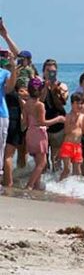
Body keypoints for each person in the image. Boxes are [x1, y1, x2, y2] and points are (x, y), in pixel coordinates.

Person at [22, 78, 64, 190]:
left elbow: (25, 122)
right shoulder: (40, 105)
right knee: (42, 163)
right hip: (39, 133)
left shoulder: (26, 104)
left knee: (38, 162)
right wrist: (58, 119)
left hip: (30, 132)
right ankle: (29, 185)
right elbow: (42, 122)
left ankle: (36, 185)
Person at [0, 19, 21, 187]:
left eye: (3, 55)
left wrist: (5, 36)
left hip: (6, 116)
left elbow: (21, 59)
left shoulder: (7, 73)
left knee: (4, 153)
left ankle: (5, 185)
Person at [40, 59, 68, 171]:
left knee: (56, 158)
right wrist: (45, 88)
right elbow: (39, 102)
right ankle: (41, 183)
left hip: (58, 126)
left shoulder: (62, 86)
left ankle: (56, 184)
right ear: (43, 72)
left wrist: (55, 91)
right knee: (42, 159)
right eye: (48, 71)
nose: (50, 73)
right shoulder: (39, 85)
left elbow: (62, 105)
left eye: (53, 71)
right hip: (43, 125)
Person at [59, 93, 84, 180]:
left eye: (81, 103)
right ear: (72, 104)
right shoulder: (68, 116)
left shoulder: (83, 117)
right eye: (77, 103)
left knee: (77, 171)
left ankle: (75, 188)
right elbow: (66, 131)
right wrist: (72, 122)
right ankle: (59, 185)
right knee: (67, 169)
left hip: (77, 146)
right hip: (67, 144)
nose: (79, 105)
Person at [3, 82, 25, 187]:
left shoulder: (4, 92)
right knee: (8, 156)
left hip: (6, 122)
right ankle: (9, 182)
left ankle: (6, 180)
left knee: (5, 155)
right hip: (14, 123)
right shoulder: (16, 94)